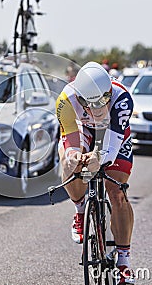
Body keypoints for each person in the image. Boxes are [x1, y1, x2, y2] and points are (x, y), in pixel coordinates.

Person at [56, 61, 135, 284]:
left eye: (103, 101)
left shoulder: (122, 98)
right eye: (91, 103)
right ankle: (80, 209)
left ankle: (124, 261)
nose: (98, 108)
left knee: (117, 191)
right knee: (70, 163)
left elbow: (110, 148)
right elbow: (71, 141)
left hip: (112, 131)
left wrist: (98, 158)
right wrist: (75, 157)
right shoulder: (65, 100)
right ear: (80, 97)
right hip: (84, 130)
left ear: (109, 91)